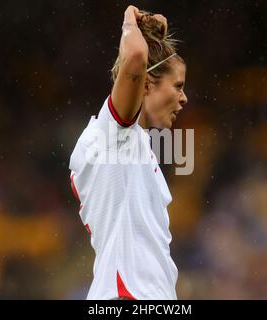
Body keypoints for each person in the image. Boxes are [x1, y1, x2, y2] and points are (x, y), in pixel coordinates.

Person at [69, 5, 188, 300]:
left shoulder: (133, 147)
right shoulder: (113, 137)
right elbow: (135, 56)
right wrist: (129, 20)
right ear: (147, 85)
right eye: (178, 86)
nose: (184, 98)